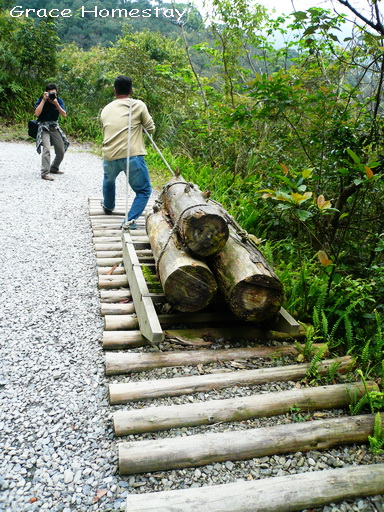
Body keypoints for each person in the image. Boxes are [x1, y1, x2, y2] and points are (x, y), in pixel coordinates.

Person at [100, 75, 155, 230]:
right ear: (131, 90)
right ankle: (129, 221)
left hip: (109, 155)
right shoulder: (137, 105)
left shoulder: (106, 109)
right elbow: (151, 129)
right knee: (144, 190)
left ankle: (109, 206)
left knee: (109, 180)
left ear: (114, 90)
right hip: (131, 155)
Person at [34, 83, 69, 181]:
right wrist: (44, 100)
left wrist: (56, 103)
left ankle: (54, 167)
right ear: (46, 93)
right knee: (47, 149)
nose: (52, 96)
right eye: (50, 94)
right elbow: (37, 114)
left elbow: (64, 114)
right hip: (44, 127)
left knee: (61, 150)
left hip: (54, 126)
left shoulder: (58, 101)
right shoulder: (41, 100)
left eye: (54, 93)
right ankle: (45, 173)